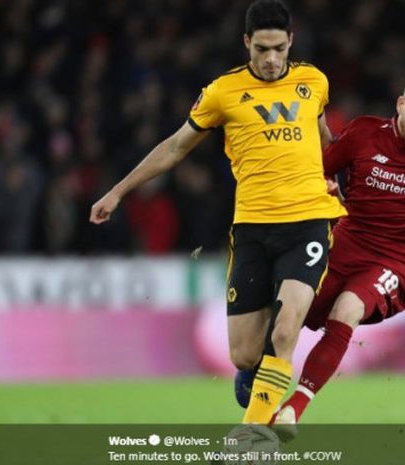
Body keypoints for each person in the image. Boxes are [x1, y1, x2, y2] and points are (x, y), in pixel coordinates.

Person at [89, 0, 346, 425]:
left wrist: (334, 171)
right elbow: (175, 147)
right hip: (252, 230)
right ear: (246, 42)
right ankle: (263, 379)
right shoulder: (222, 93)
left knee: (285, 332)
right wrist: (119, 191)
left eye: (278, 49)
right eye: (261, 49)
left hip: (308, 224)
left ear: (290, 43)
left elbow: (323, 137)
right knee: (245, 354)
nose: (270, 59)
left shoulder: (312, 81)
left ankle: (251, 441)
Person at [269, 71, 405, 434]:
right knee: (289, 318)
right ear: (401, 104)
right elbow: (319, 170)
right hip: (345, 244)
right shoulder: (364, 133)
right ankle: (261, 406)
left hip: (394, 262)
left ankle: (294, 409)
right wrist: (326, 187)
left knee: (347, 309)